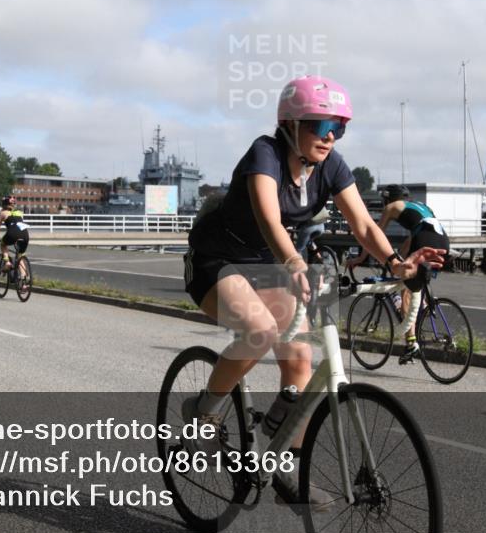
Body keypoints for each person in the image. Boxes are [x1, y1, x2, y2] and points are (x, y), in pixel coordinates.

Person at [183, 75, 445, 506]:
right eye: (322, 127)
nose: (330, 138)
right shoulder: (264, 153)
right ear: (290, 124)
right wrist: (293, 263)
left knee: (301, 357)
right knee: (261, 331)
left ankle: (281, 461)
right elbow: (269, 218)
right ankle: (204, 412)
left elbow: (362, 226)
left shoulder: (331, 166)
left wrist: (397, 265)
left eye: (338, 128)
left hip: (268, 262)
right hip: (216, 260)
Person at [347, 184, 451, 364]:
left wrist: (360, 258)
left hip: (425, 239)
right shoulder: (420, 207)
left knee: (406, 293)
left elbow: (374, 233)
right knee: (413, 278)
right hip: (443, 240)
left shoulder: (391, 207)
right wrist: (399, 261)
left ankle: (411, 344)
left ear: (388, 199)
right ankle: (425, 304)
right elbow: (412, 240)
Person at [0, 195, 29, 280]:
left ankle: (7, 262)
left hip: (12, 234)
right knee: (20, 256)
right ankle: (24, 281)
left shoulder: (3, 213)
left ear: (3, 204)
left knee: (3, 244)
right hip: (25, 235)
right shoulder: (20, 213)